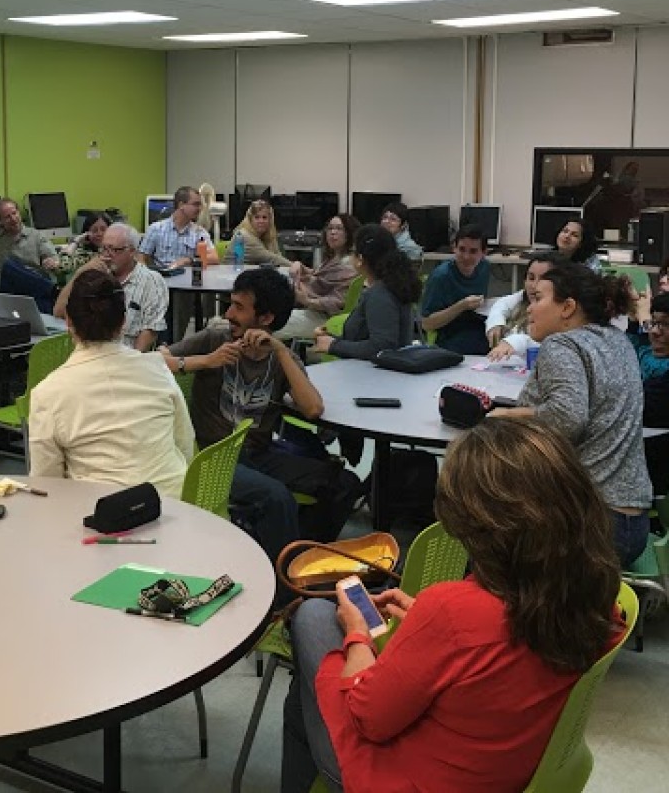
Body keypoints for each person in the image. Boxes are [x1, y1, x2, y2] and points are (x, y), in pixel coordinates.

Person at [282, 417, 623, 793]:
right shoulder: (593, 592)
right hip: (511, 767)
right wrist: (434, 633)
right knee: (305, 696)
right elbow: (499, 652)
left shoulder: (452, 610)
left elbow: (367, 718)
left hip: (413, 779)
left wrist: (358, 635)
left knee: (313, 617)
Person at [163, 269, 358, 549]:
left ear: (266, 318)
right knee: (276, 497)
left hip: (259, 453)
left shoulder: (281, 356)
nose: (229, 313)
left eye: (239, 307)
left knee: (344, 484)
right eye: (230, 303)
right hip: (212, 456)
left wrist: (280, 351)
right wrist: (205, 361)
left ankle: (304, 556)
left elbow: (313, 408)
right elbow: (156, 360)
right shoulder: (215, 339)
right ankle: (283, 581)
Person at [490, 261, 652, 566]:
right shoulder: (618, 341)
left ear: (567, 308)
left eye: (538, 299)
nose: (529, 309)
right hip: (631, 523)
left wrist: (508, 416)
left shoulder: (562, 344)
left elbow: (567, 418)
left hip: (589, 525)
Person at [29, 269, 193, 499]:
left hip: (98, 519)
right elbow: (185, 444)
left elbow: (47, 483)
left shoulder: (47, 393)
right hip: (175, 510)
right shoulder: (157, 368)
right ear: (124, 321)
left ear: (68, 321)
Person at [312, 225, 421, 361]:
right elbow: (366, 339)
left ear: (360, 259)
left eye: (353, 252)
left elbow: (382, 346)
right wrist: (330, 340)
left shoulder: (380, 294)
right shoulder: (390, 286)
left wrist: (334, 345)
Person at [54, 222, 168, 351]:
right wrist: (81, 273)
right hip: (90, 355)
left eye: (114, 250)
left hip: (127, 357)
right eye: (104, 248)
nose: (107, 255)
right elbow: (59, 311)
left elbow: (150, 330)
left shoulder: (151, 281)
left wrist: (133, 362)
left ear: (132, 251)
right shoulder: (94, 277)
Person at [278, 214, 360, 341]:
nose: (333, 232)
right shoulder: (335, 258)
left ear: (349, 233)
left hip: (326, 319)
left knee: (271, 323)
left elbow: (337, 302)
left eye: (339, 228)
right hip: (315, 312)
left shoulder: (348, 265)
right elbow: (320, 277)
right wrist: (303, 268)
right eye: (330, 228)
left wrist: (307, 300)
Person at [420, 223, 490, 355]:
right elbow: (427, 324)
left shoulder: (484, 267)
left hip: (476, 327)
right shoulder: (441, 276)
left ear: (484, 253)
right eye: (462, 249)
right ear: (454, 248)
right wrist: (461, 306)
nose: (466, 257)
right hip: (449, 335)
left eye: (473, 251)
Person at [626, 290, 669, 493]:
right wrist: (634, 321)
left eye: (666, 325)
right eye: (654, 322)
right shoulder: (645, 353)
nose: (655, 331)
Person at [484, 252, 562, 361]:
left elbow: (547, 344)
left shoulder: (559, 313)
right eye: (531, 278)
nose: (534, 286)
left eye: (543, 279)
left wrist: (516, 342)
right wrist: (495, 324)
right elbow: (501, 305)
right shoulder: (522, 298)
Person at [139, 185, 216, 270]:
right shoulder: (155, 229)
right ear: (181, 205)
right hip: (162, 277)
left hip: (187, 279)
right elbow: (141, 257)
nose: (200, 208)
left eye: (200, 205)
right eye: (195, 204)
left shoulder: (199, 232)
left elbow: (214, 258)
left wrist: (188, 260)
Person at [232, 199, 302, 273]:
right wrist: (300, 267)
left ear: (270, 220)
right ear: (250, 220)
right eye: (257, 217)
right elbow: (273, 259)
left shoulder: (264, 236)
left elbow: (277, 256)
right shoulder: (243, 236)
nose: (261, 221)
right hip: (232, 277)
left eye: (264, 217)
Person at [379, 201, 423, 265]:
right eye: (385, 217)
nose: (386, 221)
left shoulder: (410, 249)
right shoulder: (379, 240)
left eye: (393, 219)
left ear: (403, 225)